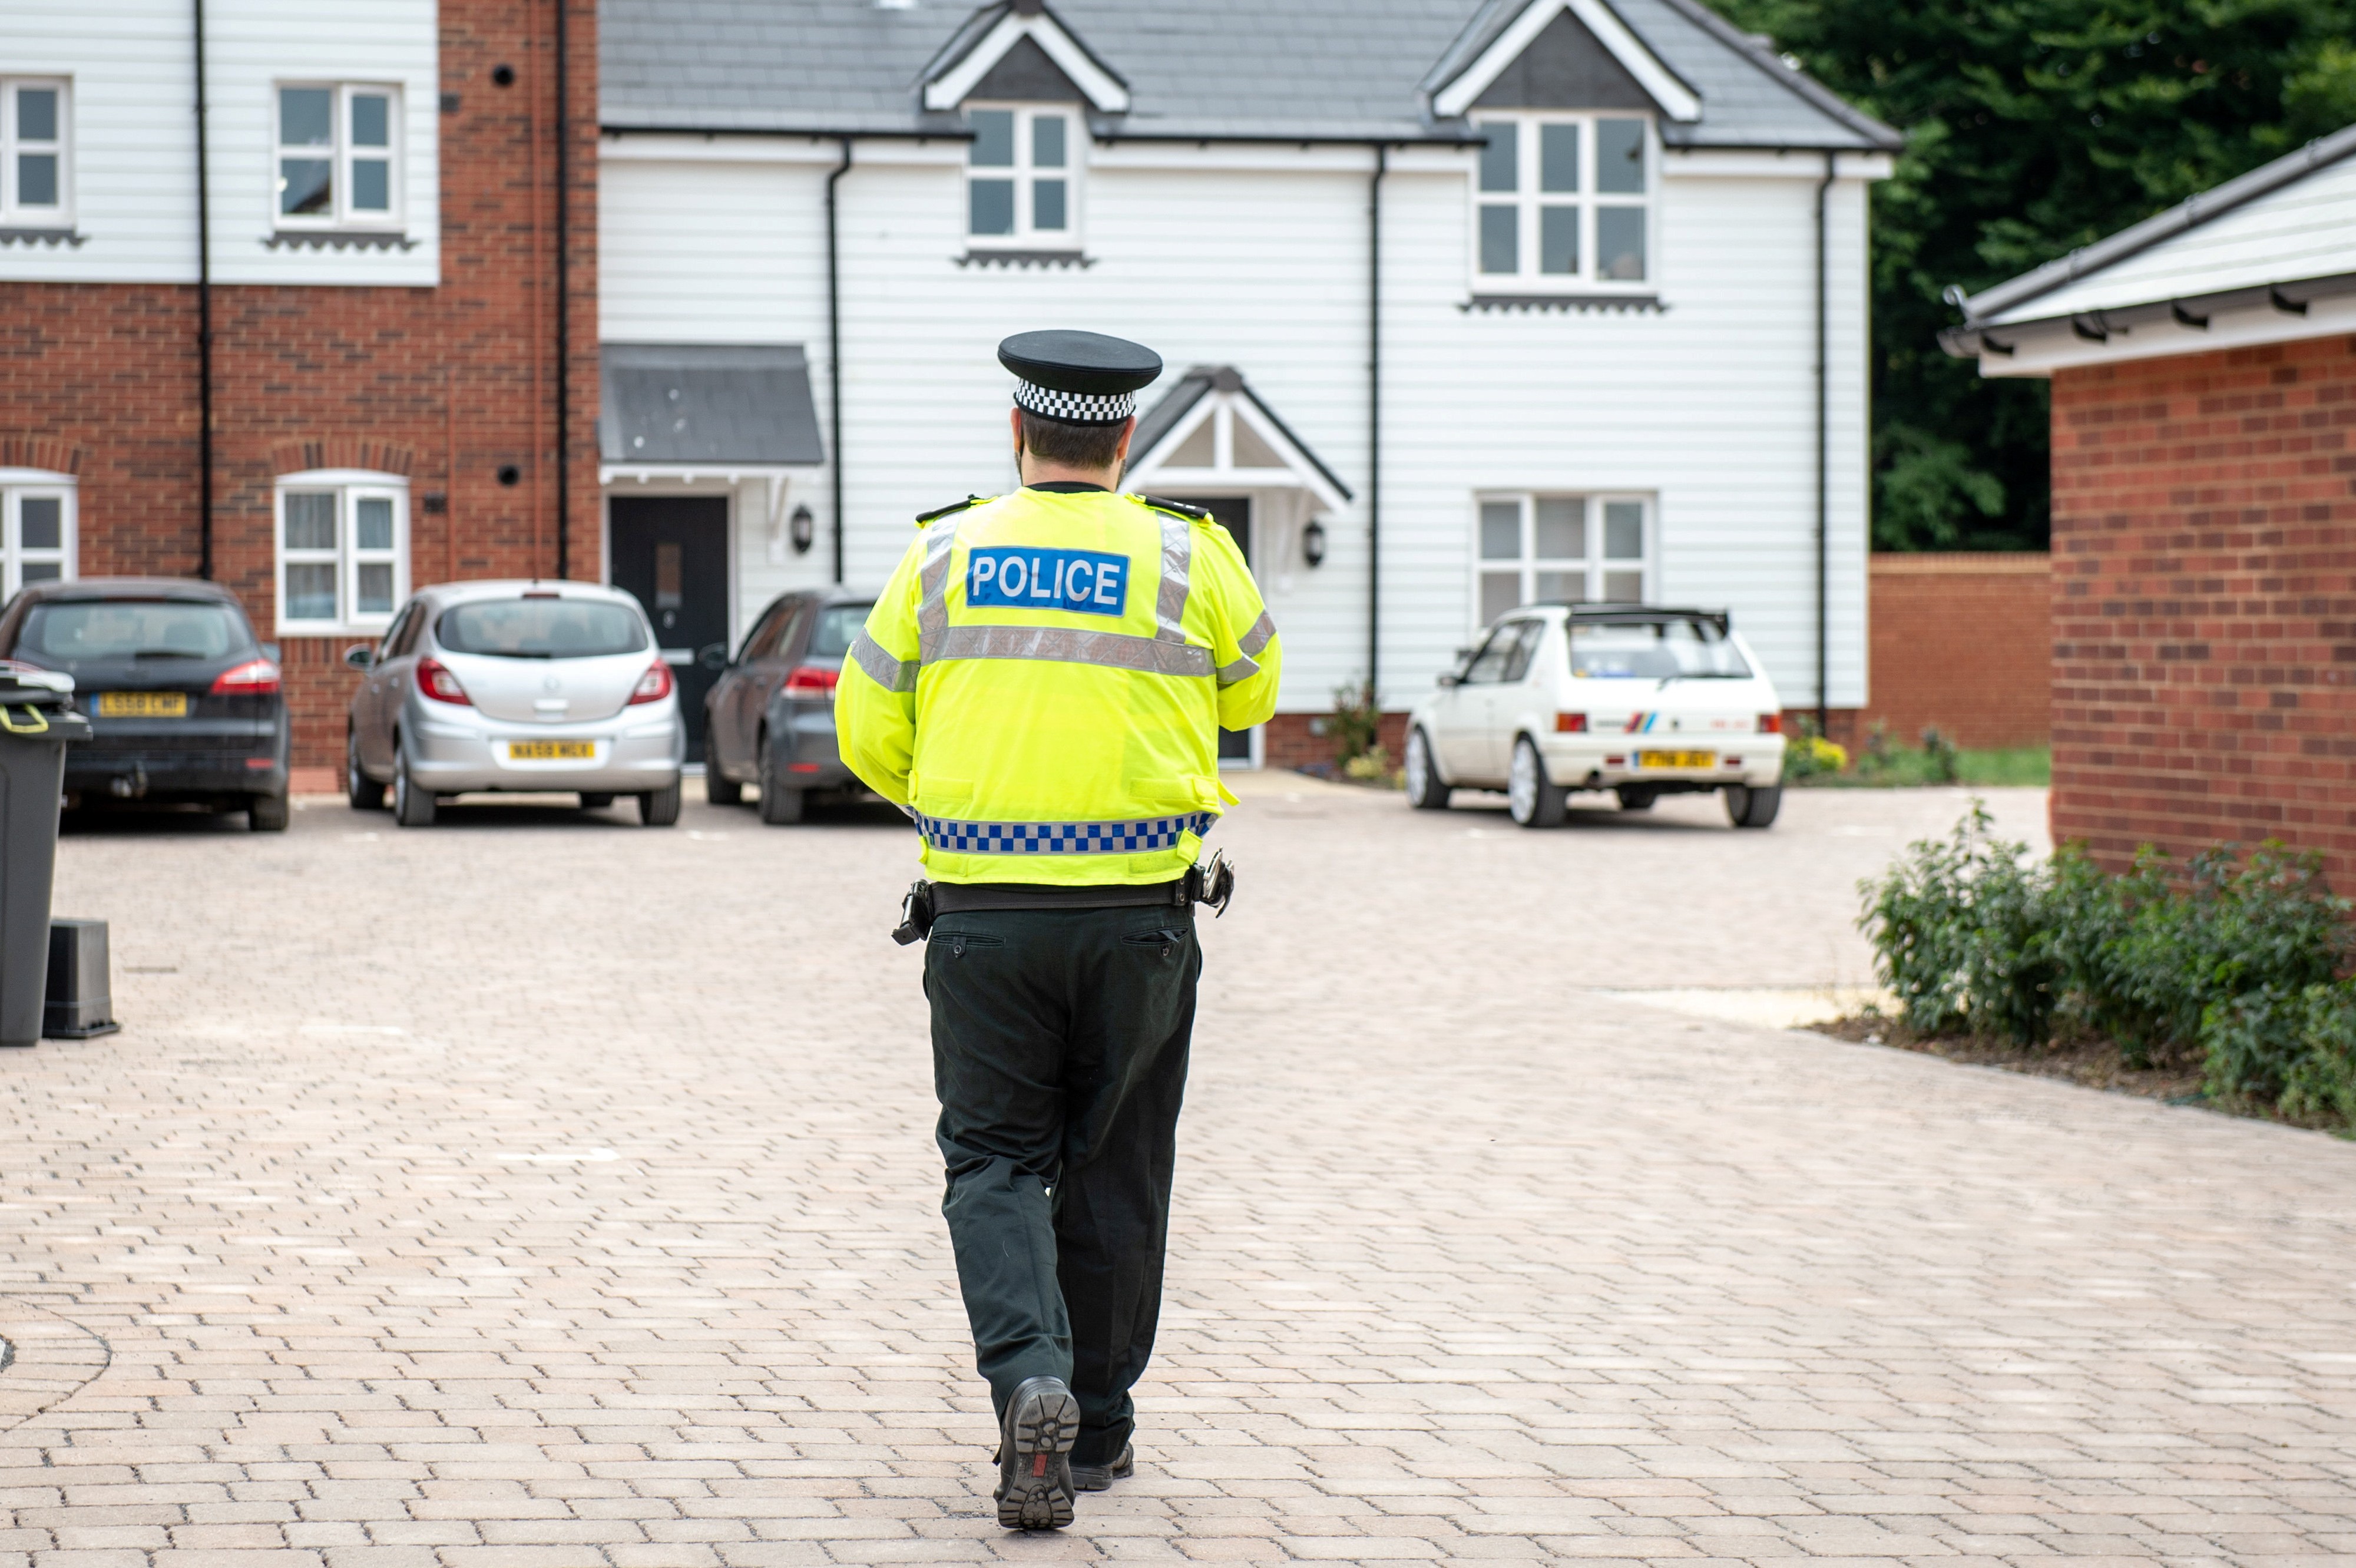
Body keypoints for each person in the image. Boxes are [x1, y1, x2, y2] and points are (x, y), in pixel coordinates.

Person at [835, 329, 1281, 1531]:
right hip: (1143, 920)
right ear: (1127, 437)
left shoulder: (939, 552)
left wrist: (965, 798)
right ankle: (1095, 1424)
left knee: (993, 1160)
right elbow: (1251, 692)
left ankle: (1025, 1373)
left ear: (1016, 434)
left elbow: (865, 730)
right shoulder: (1191, 556)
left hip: (983, 920)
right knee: (1119, 1163)